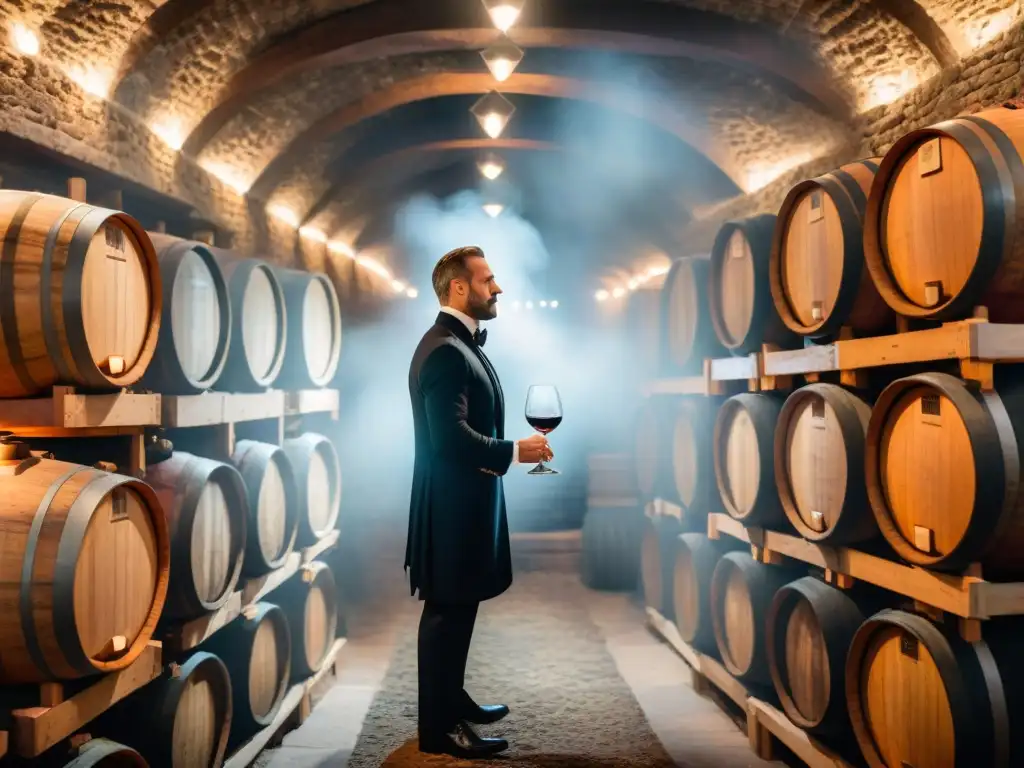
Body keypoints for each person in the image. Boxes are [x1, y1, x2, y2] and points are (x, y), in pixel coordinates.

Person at [406, 245, 553, 758]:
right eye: (488, 279)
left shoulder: (455, 342)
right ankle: (438, 729)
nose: (498, 288)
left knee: (459, 607)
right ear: (459, 288)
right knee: (446, 611)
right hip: (451, 507)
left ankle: (451, 699)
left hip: (462, 501)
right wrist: (515, 449)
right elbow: (450, 439)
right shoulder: (445, 349)